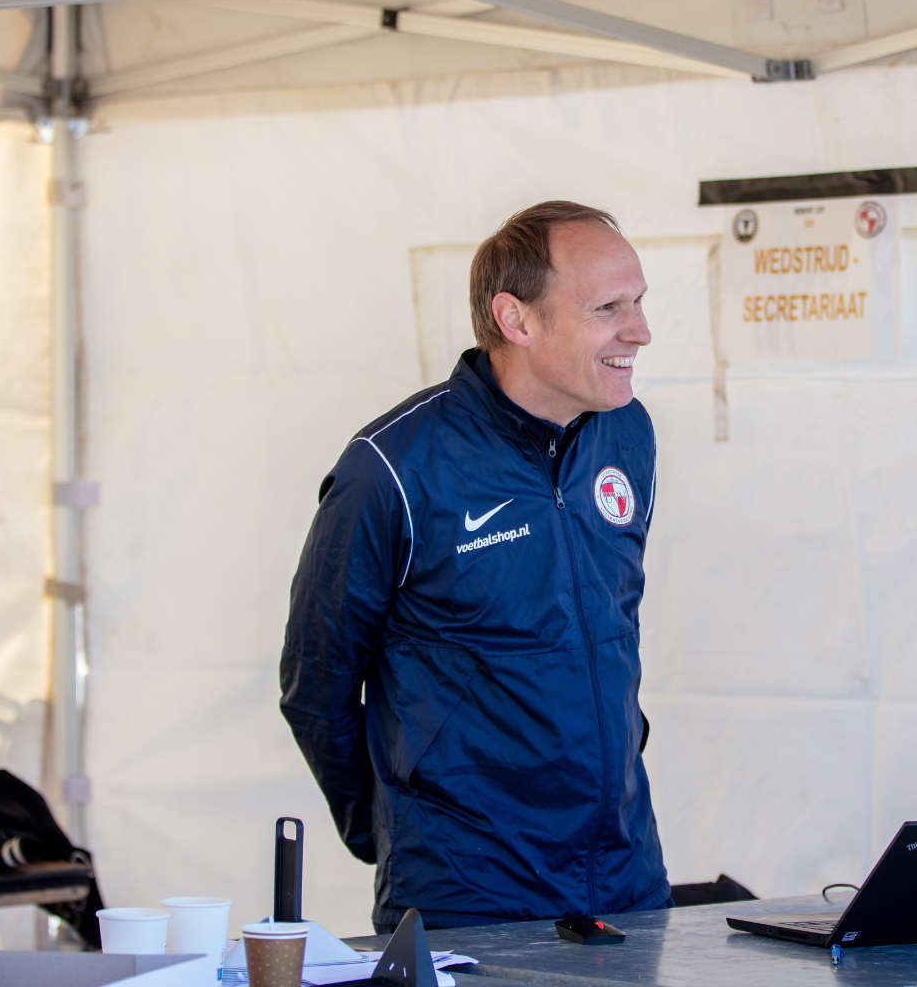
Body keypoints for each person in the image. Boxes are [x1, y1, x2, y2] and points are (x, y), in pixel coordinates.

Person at [280, 201, 668, 932]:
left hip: (624, 878)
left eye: (640, 302)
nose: (640, 330)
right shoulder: (392, 470)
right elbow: (315, 682)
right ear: (517, 320)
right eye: (608, 307)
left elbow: (613, 626)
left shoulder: (629, 434)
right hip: (469, 897)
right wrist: (395, 828)